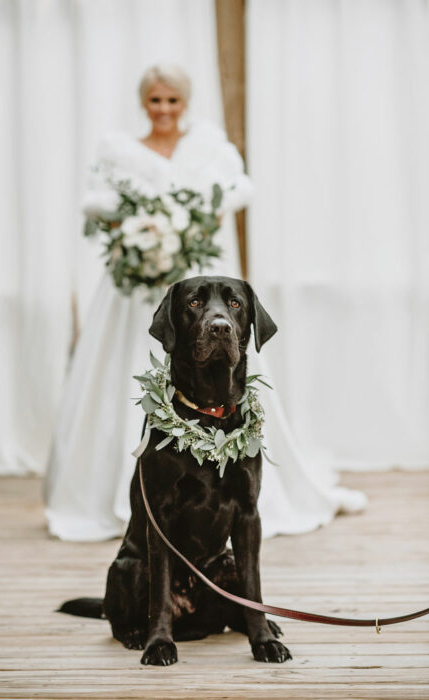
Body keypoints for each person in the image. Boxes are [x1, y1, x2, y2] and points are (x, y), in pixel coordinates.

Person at [44, 64, 365, 541]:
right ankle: (120, 491)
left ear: (185, 102)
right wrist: (139, 231)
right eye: (156, 100)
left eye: (172, 100)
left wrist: (187, 226)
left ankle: (227, 488)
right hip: (138, 287)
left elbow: (238, 192)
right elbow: (97, 204)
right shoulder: (121, 153)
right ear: (144, 103)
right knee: (119, 372)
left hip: (199, 279)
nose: (164, 109)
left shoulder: (208, 148)